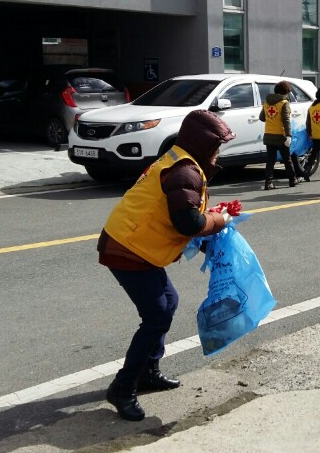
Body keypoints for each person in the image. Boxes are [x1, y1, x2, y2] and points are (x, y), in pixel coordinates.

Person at [97, 110, 235, 421]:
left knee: (167, 302)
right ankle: (123, 387)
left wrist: (211, 216)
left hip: (136, 245)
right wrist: (220, 220)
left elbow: (186, 210)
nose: (219, 151)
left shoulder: (184, 161)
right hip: (127, 248)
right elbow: (188, 223)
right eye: (217, 145)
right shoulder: (185, 170)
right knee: (157, 314)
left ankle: (148, 370)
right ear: (204, 143)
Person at [260, 80, 305, 190]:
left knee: (270, 160)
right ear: (286, 92)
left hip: (269, 134)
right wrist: (289, 135)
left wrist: (271, 118)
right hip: (280, 135)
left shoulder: (266, 102)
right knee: (287, 159)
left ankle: (268, 182)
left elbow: (262, 118)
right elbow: (286, 120)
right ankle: (292, 180)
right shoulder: (284, 103)